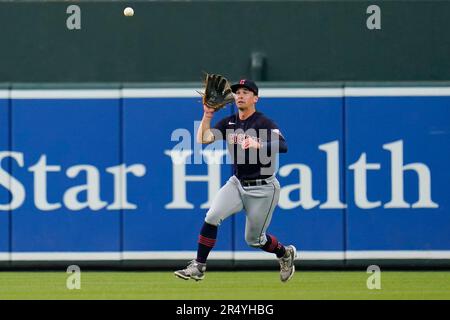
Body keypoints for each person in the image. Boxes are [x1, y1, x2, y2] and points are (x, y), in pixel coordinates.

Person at [174, 79, 296, 282]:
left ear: (255, 98)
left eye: (246, 92)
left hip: (264, 189)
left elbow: (283, 145)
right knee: (212, 216)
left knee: (255, 240)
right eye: (237, 92)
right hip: (237, 183)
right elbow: (203, 139)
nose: (240, 95)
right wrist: (207, 115)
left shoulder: (263, 122)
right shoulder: (230, 122)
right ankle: (199, 266)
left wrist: (258, 143)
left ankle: (284, 253)